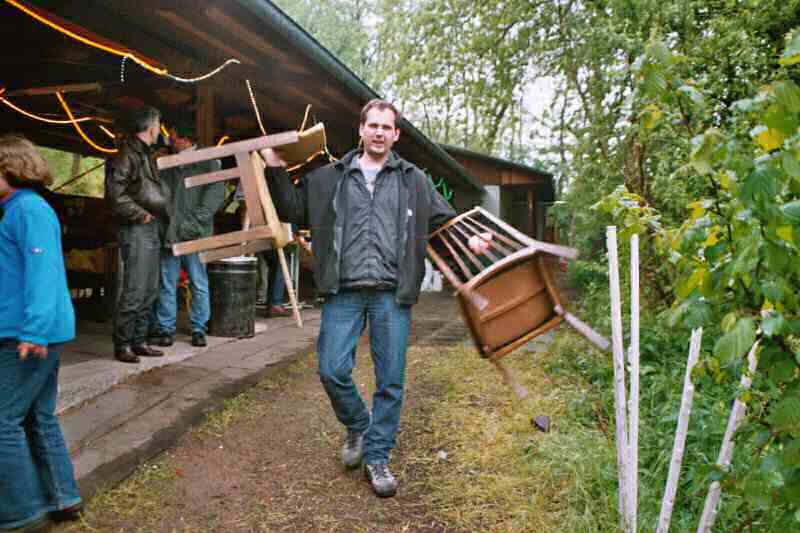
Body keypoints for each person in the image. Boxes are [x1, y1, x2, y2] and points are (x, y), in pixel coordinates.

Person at [261, 99, 491, 497]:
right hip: (344, 290)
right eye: (373, 125)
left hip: (391, 293)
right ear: (361, 130)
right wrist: (274, 166)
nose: (380, 132)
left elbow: (446, 219)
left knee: (391, 381)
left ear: (396, 134)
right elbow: (292, 209)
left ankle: (378, 457)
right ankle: (358, 424)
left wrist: (471, 238)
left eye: (387, 127)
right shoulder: (329, 178)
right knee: (331, 369)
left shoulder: (414, 181)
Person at [0, 135, 83, 532]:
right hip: (30, 329)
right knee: (37, 416)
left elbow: (44, 273)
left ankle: (21, 514)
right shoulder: (17, 209)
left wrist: (33, 331)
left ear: (9, 169)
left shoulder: (29, 210)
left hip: (27, 334)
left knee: (3, 422)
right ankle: (62, 498)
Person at [151, 122, 225, 348]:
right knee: (167, 282)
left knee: (198, 282)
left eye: (173, 137)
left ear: (185, 139)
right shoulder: (168, 163)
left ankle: (199, 328)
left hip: (196, 234)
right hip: (170, 233)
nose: (170, 141)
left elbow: (214, 196)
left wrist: (191, 225)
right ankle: (166, 329)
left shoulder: (208, 161)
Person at [106, 106, 168, 363]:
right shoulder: (127, 155)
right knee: (135, 288)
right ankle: (123, 344)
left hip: (150, 226)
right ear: (151, 128)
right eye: (158, 125)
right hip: (137, 226)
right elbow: (115, 195)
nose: (160, 130)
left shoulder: (145, 154)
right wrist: (140, 215)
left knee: (149, 288)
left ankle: (139, 340)